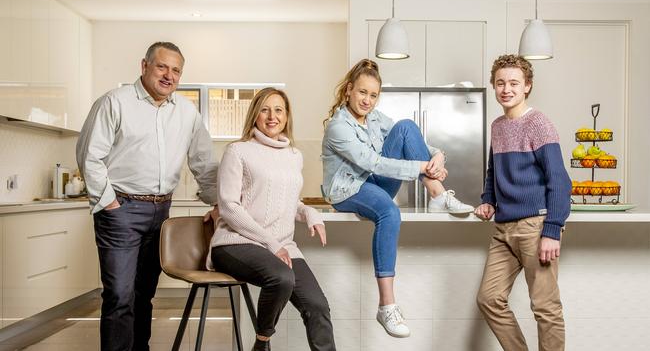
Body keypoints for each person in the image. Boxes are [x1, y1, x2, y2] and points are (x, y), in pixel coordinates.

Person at [76, 41, 219, 351]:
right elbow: (90, 156)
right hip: (121, 209)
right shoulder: (115, 102)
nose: (169, 75)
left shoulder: (186, 112)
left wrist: (219, 203)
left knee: (143, 293)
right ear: (144, 66)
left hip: (160, 213)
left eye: (176, 70)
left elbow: (204, 164)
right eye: (162, 66)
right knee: (119, 295)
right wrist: (110, 204)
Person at [321, 59, 473, 338]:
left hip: (376, 184)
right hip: (348, 190)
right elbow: (372, 163)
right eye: (362, 92)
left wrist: (438, 155)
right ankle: (386, 306)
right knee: (390, 212)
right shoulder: (337, 127)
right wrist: (423, 167)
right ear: (348, 91)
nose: (367, 100)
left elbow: (414, 142)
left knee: (405, 126)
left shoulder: (377, 119)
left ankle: (436, 194)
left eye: (373, 95)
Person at [208, 88, 336, 351]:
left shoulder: (294, 156)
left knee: (317, 306)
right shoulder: (238, 151)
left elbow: (291, 202)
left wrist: (311, 214)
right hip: (235, 242)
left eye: (278, 110)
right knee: (282, 277)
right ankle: (262, 341)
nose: (271, 116)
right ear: (255, 114)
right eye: (265, 109)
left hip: (280, 246)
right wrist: (270, 243)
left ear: (287, 116)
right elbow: (229, 207)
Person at [475, 54, 571, 351]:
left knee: (545, 308)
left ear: (527, 86)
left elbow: (559, 181)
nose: (507, 89)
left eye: (514, 83)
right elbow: (494, 170)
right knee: (489, 299)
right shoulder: (497, 125)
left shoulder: (539, 123)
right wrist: (488, 200)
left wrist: (552, 229)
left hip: (535, 226)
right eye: (501, 83)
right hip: (503, 228)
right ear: (493, 86)